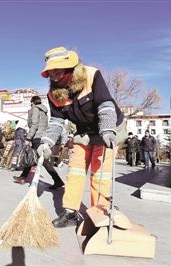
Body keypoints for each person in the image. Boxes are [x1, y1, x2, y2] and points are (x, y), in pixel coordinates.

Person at [36, 47, 126, 227]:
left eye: (57, 72)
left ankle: (100, 212)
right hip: (84, 131)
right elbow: (56, 121)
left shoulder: (91, 75)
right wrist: (46, 142)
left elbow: (105, 104)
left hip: (107, 127)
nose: (53, 77)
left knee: (100, 173)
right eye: (50, 73)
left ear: (69, 68)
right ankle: (70, 212)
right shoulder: (53, 94)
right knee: (75, 170)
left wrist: (107, 129)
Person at [13, 96, 64, 189]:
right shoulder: (44, 111)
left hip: (36, 136)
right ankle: (23, 177)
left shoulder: (35, 109)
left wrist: (28, 137)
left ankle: (58, 180)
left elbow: (34, 124)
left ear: (32, 102)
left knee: (42, 160)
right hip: (42, 136)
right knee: (32, 157)